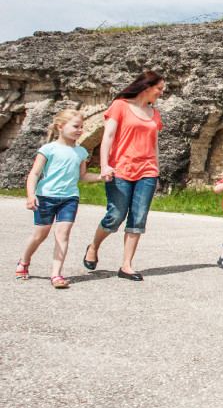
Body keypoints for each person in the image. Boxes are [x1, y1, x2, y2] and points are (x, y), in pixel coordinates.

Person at [82, 70, 164, 281]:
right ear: (147, 87)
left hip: (147, 171)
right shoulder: (120, 105)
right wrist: (104, 166)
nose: (161, 93)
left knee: (138, 219)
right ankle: (93, 246)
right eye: (159, 89)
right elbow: (107, 136)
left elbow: (154, 145)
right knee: (115, 216)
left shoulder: (155, 114)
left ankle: (126, 266)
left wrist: (156, 173)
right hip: (120, 169)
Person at [16, 110, 100, 288]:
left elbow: (82, 176)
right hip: (46, 196)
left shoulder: (81, 152)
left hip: (69, 198)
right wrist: (31, 195)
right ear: (61, 127)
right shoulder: (48, 149)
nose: (80, 130)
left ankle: (56, 274)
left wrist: (103, 177)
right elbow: (35, 174)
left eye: (81, 127)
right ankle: (24, 261)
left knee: (63, 234)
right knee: (40, 235)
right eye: (75, 126)